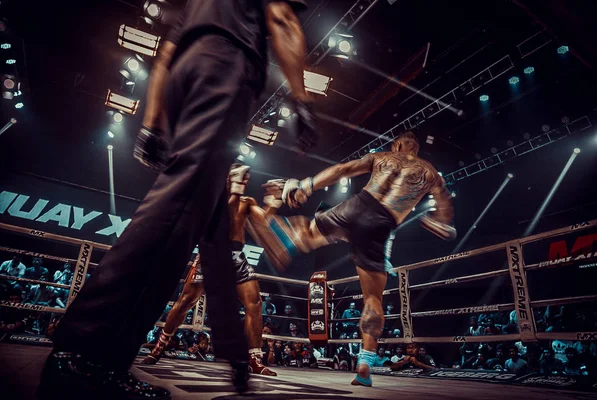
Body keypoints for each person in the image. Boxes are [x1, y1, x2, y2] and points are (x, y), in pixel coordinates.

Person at [39, 1, 314, 398]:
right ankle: (82, 353)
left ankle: (112, 360)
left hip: (188, 70)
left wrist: (152, 121)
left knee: (197, 221)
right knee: (177, 205)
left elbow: (168, 50)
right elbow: (282, 18)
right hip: (226, 65)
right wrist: (301, 100)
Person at [252, 131, 456, 387]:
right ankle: (365, 364)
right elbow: (445, 207)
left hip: (358, 205)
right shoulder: (430, 172)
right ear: (416, 148)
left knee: (306, 234)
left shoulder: (382, 157)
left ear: (397, 145)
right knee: (373, 298)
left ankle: (282, 235)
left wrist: (307, 185)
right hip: (382, 225)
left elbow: (343, 169)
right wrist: (441, 222)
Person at [141, 167, 276, 376]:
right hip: (211, 254)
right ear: (228, 177)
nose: (244, 180)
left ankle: (254, 359)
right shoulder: (213, 198)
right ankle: (161, 345)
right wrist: (235, 190)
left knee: (255, 303)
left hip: (236, 256)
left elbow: (264, 223)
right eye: (239, 177)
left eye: (246, 178)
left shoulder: (247, 201)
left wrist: (273, 201)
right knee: (186, 301)